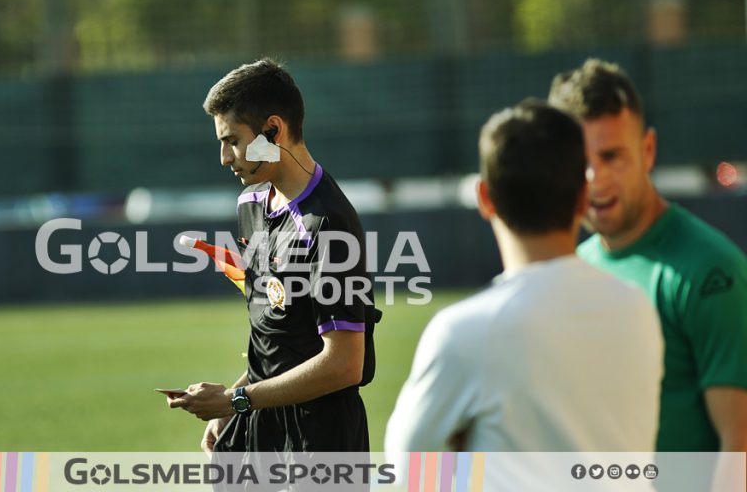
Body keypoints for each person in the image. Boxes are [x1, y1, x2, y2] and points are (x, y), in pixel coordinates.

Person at [384, 101, 664, 453]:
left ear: (485, 199)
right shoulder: (638, 308)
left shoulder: (464, 331)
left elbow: (409, 469)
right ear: (583, 198)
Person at [167, 58, 377, 453]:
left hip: (320, 441)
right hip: (260, 420)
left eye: (232, 140)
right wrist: (235, 403)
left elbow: (344, 365)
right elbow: (278, 338)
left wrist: (235, 402)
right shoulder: (251, 204)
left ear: (273, 130)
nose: (225, 158)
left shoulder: (326, 223)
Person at [549, 59, 747, 453]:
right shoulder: (571, 269)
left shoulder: (710, 270)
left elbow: (740, 446)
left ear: (648, 150)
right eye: (582, 163)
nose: (595, 178)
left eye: (612, 157)